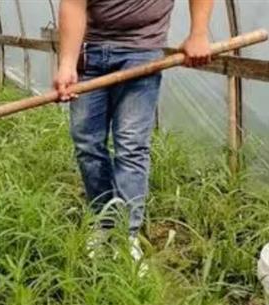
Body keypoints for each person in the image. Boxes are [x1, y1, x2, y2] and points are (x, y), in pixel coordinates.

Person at [54, 0, 214, 262]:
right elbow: (73, 3)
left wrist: (199, 33)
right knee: (87, 143)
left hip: (142, 51)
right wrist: (67, 63)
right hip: (90, 50)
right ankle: (105, 223)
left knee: (131, 145)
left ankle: (126, 236)